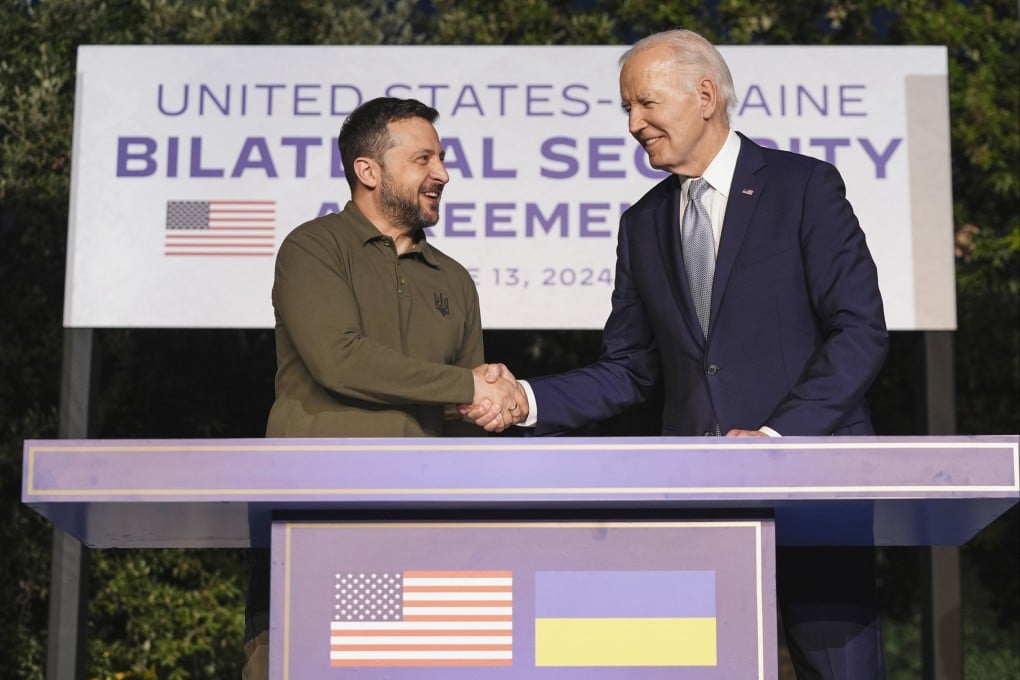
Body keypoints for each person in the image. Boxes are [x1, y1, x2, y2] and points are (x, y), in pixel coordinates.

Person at [464, 29, 889, 679]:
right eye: (626, 108)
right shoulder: (642, 225)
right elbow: (630, 369)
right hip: (700, 511)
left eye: (646, 103)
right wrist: (526, 398)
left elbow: (858, 333)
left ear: (705, 96)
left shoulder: (804, 188)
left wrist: (777, 438)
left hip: (812, 493)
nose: (634, 123)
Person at [244, 96, 524, 679]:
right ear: (368, 171)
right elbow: (339, 361)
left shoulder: (453, 280)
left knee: (418, 667)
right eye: (423, 158)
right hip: (315, 516)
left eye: (441, 158)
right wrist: (469, 388)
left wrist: (498, 404)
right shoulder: (313, 247)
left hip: (423, 528)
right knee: (301, 666)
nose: (442, 174)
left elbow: (461, 410)